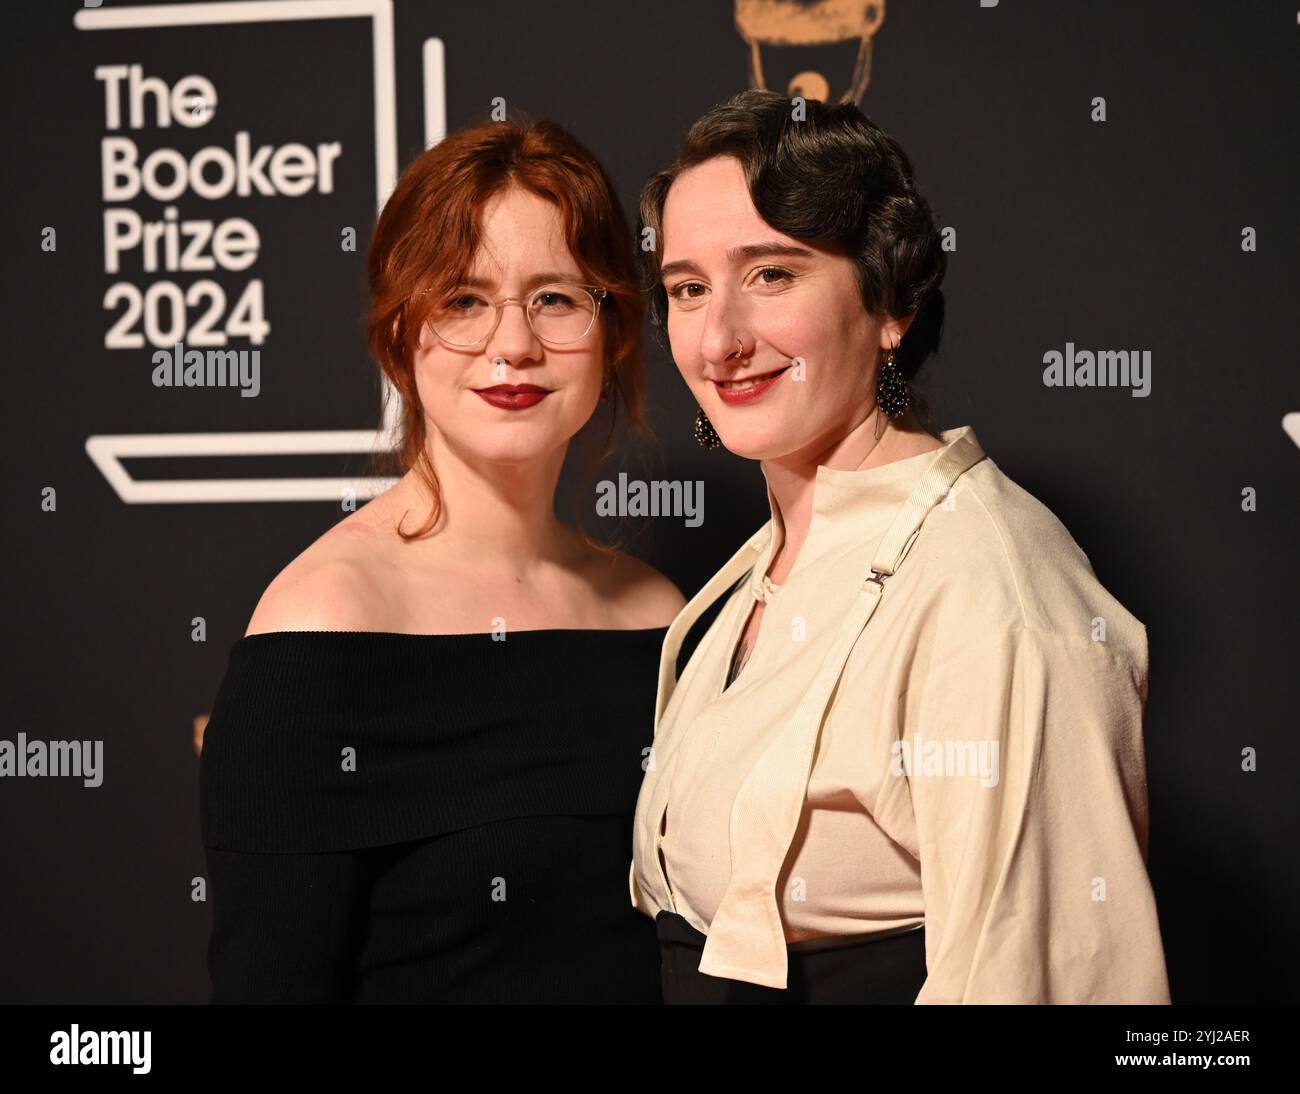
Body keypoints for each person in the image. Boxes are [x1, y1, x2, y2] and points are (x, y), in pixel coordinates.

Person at [629, 89, 1171, 1004]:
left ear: (891, 301)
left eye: (772, 275)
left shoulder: (990, 591)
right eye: (688, 289)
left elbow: (1049, 979)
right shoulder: (764, 564)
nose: (719, 339)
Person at [199, 112, 685, 1003]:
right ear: (398, 334)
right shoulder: (324, 628)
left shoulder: (658, 616)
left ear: (613, 332)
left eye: (556, 296)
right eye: (463, 300)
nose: (514, 346)